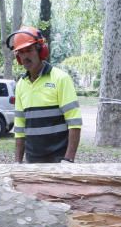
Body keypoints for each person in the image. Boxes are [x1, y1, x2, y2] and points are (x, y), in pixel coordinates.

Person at [6, 26, 82, 163]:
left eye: (29, 50)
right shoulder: (21, 85)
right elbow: (20, 127)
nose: (25, 57)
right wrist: (17, 163)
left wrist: (69, 159)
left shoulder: (61, 79)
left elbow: (74, 122)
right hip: (32, 160)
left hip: (59, 160)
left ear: (41, 51)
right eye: (21, 53)